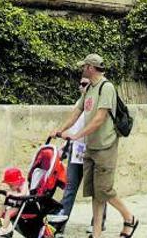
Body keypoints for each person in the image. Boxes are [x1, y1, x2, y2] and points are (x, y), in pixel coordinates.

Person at [49, 53, 139, 238]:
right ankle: (96, 233)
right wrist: (59, 130)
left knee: (104, 190)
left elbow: (99, 119)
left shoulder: (106, 88)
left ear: (90, 67)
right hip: (91, 147)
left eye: (84, 67)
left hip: (105, 146)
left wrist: (76, 135)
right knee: (95, 193)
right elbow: (77, 112)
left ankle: (129, 218)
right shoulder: (90, 88)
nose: (82, 69)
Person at [48, 78, 107, 236]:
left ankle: (99, 221)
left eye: (85, 84)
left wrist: (73, 135)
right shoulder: (79, 103)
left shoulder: (98, 103)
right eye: (80, 84)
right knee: (69, 188)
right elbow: (74, 123)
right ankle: (61, 223)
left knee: (97, 188)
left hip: (93, 150)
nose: (81, 87)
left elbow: (95, 125)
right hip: (77, 150)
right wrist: (61, 136)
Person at [0, 166, 30, 237]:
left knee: (8, 212)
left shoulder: (24, 185)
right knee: (2, 207)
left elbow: (22, 194)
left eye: (11, 185)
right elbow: (12, 192)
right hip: (16, 202)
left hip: (23, 204)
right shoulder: (15, 186)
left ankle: (5, 229)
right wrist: (9, 193)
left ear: (17, 182)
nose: (10, 186)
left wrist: (12, 194)